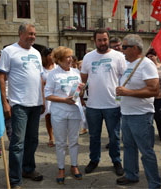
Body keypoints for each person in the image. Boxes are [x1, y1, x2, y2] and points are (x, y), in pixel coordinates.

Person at [0, 23, 45, 188]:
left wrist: (43, 100)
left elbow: (39, 78)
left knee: (33, 140)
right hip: (19, 104)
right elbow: (1, 76)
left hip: (36, 103)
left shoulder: (37, 53)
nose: (33, 36)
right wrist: (5, 102)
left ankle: (28, 169)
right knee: (17, 143)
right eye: (30, 33)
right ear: (20, 33)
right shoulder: (9, 51)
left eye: (34, 34)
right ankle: (15, 179)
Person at [115, 34, 161, 188]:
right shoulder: (129, 64)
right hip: (127, 114)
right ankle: (131, 175)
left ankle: (154, 183)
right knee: (128, 147)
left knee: (146, 151)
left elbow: (154, 90)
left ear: (135, 48)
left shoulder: (146, 64)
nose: (122, 50)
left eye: (125, 47)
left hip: (141, 115)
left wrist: (127, 92)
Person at [81, 28, 126, 176]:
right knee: (94, 136)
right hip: (93, 105)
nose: (102, 43)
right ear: (95, 41)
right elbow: (83, 80)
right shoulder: (88, 57)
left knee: (114, 136)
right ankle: (94, 160)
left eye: (105, 40)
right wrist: (81, 96)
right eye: (99, 40)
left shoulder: (118, 56)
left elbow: (125, 78)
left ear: (108, 40)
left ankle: (116, 161)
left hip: (113, 104)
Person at [45, 46, 84, 184]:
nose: (71, 59)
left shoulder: (76, 72)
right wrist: (64, 100)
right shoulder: (53, 74)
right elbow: (47, 95)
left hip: (74, 111)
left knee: (74, 141)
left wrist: (81, 90)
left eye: (71, 56)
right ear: (59, 59)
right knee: (61, 142)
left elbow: (79, 93)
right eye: (67, 57)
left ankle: (74, 165)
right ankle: (61, 168)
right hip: (59, 113)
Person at [146, 48, 161, 143]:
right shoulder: (145, 68)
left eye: (151, 56)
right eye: (148, 57)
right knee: (148, 118)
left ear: (156, 57)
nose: (150, 58)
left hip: (160, 97)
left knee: (160, 117)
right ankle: (147, 136)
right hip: (148, 98)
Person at [41, 47, 56, 147]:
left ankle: (59, 136)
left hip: (57, 95)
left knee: (57, 117)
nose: (52, 57)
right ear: (45, 57)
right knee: (48, 117)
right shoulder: (41, 69)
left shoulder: (57, 67)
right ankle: (51, 137)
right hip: (47, 96)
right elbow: (40, 82)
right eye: (50, 55)